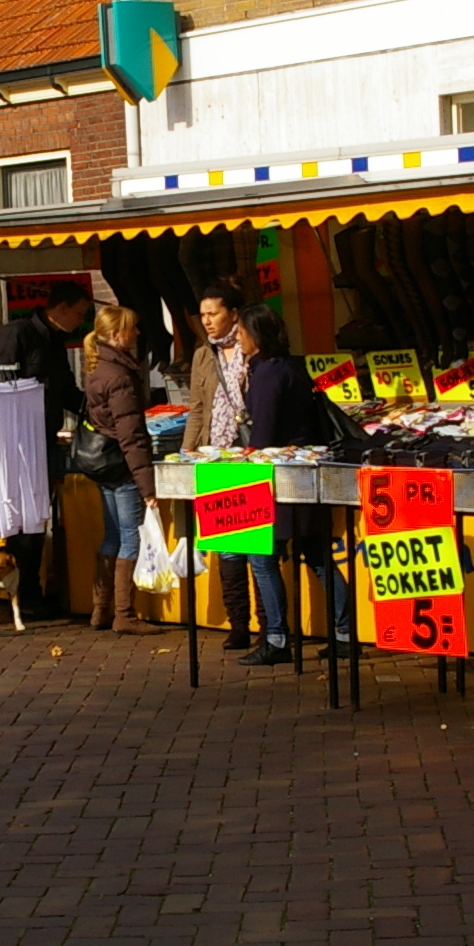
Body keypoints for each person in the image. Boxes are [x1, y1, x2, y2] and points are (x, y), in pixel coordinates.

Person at [230, 304, 353, 665]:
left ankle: (278, 637)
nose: (238, 338)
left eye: (241, 331)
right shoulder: (293, 368)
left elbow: (264, 433)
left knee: (262, 556)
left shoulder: (269, 375)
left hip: (280, 480)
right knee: (317, 556)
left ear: (257, 334)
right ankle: (344, 631)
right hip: (305, 475)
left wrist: (244, 457)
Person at [0, 282, 95, 621]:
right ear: (61, 308)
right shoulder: (17, 334)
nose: (80, 321)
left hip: (42, 439)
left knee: (37, 519)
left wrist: (98, 409)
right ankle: (23, 592)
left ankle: (31, 590)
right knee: (21, 520)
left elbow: (66, 391)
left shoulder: (56, 341)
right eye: (78, 313)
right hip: (15, 441)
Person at [178, 281, 255, 651]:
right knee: (226, 546)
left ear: (234, 314)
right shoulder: (202, 355)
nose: (206, 321)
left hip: (251, 454)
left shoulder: (252, 348)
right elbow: (196, 408)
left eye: (213, 313)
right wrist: (187, 452)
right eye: (203, 314)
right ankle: (238, 621)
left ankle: (271, 624)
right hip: (215, 455)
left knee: (257, 546)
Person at [78, 303, 160, 635]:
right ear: (116, 335)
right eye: (132, 328)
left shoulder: (96, 367)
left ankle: (101, 610)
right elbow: (132, 435)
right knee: (130, 537)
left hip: (102, 465)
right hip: (122, 466)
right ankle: (124, 613)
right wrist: (147, 487)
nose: (138, 333)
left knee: (112, 534)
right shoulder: (120, 376)